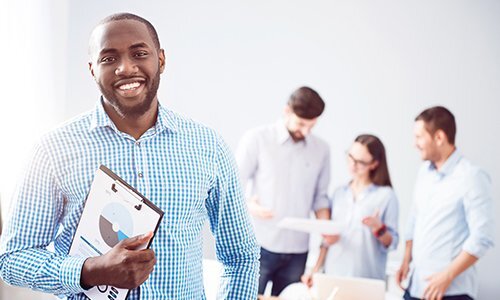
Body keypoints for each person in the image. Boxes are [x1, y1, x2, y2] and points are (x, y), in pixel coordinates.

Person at [0, 13, 259, 299]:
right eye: (109, 59)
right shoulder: (53, 149)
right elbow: (12, 259)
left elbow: (241, 256)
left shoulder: (208, 146)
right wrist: (89, 270)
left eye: (139, 53)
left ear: (161, 60)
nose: (125, 68)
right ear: (92, 70)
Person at [236, 86, 331, 296]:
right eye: (301, 124)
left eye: (311, 126)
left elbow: (320, 198)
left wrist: (327, 229)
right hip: (259, 244)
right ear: (287, 111)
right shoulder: (257, 138)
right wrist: (250, 205)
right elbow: (232, 186)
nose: (305, 131)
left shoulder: (321, 150)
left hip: (298, 251)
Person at [395, 106, 495, 300]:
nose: (414, 144)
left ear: (439, 137)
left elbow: (483, 237)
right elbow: (414, 219)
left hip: (450, 292)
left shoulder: (471, 177)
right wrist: (406, 259)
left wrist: (447, 275)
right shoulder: (424, 172)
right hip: (416, 287)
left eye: (419, 137)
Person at [301, 134, 399, 286]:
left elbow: (392, 243)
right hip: (333, 277)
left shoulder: (386, 196)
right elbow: (327, 241)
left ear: (374, 164)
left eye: (360, 162)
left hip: (366, 281)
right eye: (350, 157)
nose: (352, 165)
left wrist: (378, 228)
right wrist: (314, 270)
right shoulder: (339, 193)